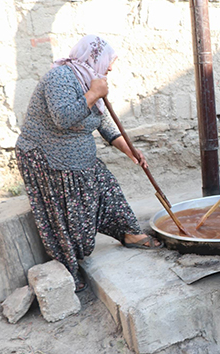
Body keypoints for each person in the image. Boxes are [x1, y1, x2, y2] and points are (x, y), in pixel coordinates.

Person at [15, 35, 163, 293]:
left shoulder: (90, 79)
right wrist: (94, 93)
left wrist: (130, 150)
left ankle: (129, 233)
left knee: (107, 187)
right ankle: (68, 267)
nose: (110, 68)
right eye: (108, 61)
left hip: (79, 155)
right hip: (48, 157)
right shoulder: (59, 78)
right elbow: (63, 118)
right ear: (94, 58)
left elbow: (103, 122)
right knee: (68, 217)